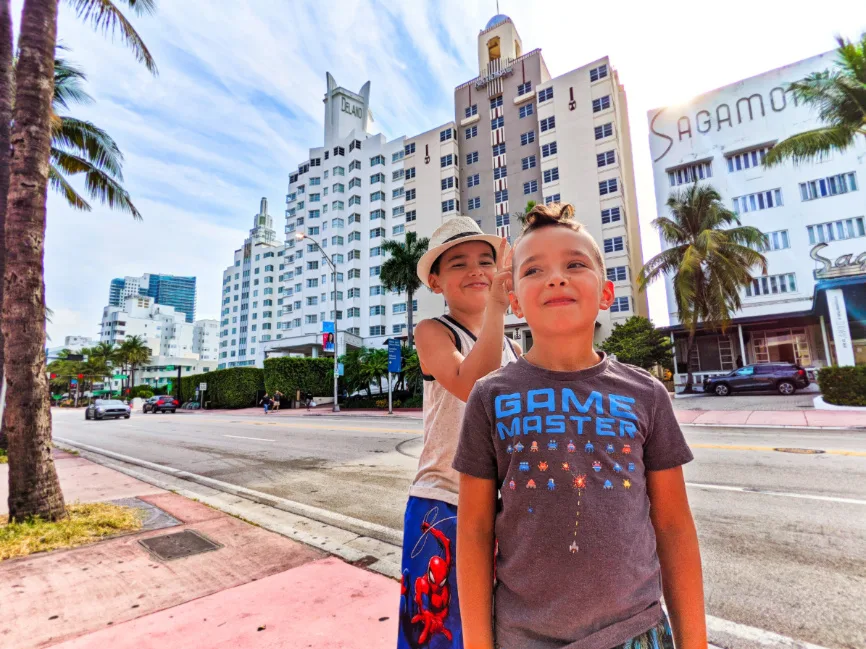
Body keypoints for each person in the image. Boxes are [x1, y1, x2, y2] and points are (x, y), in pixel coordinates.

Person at [453, 203, 706, 649]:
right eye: (534, 270)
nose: (556, 278)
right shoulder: (489, 397)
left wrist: (695, 642)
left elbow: (673, 526)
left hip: (636, 632)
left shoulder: (646, 394)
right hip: (523, 637)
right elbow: (474, 530)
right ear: (513, 300)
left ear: (607, 293)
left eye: (575, 264)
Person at [397, 216, 521, 649]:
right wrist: (499, 310)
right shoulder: (432, 331)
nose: (475, 270)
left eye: (486, 260)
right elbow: (473, 385)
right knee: (436, 632)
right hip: (442, 501)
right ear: (435, 282)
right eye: (458, 263)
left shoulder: (512, 346)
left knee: (494, 626)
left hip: (502, 506)